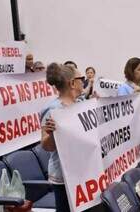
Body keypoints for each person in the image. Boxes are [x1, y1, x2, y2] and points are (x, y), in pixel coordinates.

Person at [41, 63, 84, 212]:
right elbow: (46, 146)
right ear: (72, 83)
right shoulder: (54, 109)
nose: (83, 81)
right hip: (64, 175)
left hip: (82, 170)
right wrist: (52, 133)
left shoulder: (81, 104)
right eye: (81, 78)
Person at [117, 57, 140, 128]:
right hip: (134, 128)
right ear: (131, 71)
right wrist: (134, 95)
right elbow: (123, 113)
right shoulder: (123, 88)